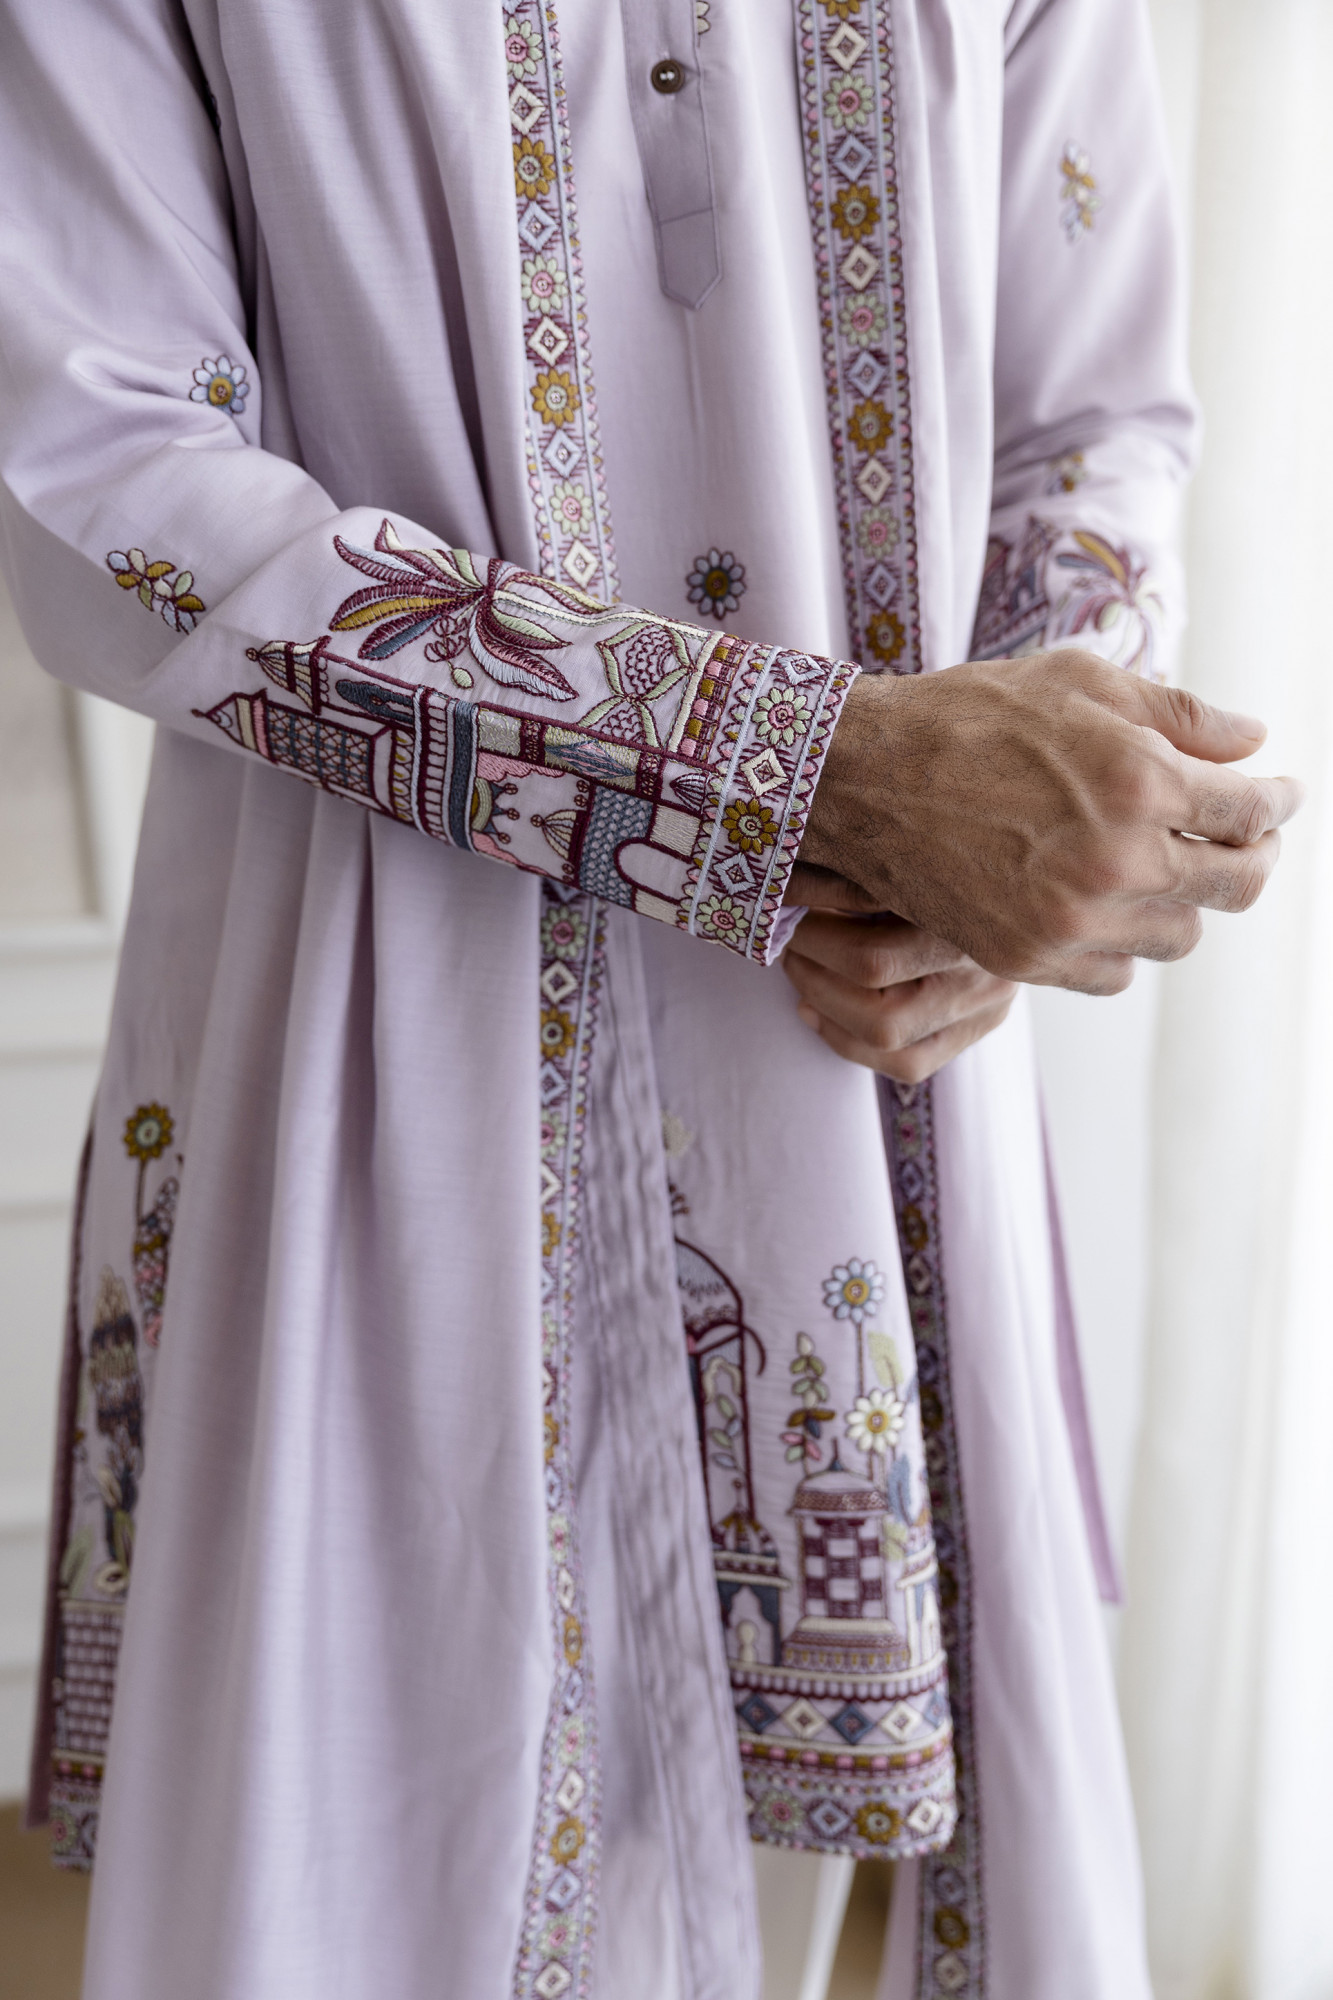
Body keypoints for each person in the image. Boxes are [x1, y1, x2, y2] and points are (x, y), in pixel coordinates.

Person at [0, 1, 1299, 1996]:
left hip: (860, 1089)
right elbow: (111, 485)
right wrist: (804, 779)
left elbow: (1090, 422)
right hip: (378, 1059)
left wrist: (1043, 789)